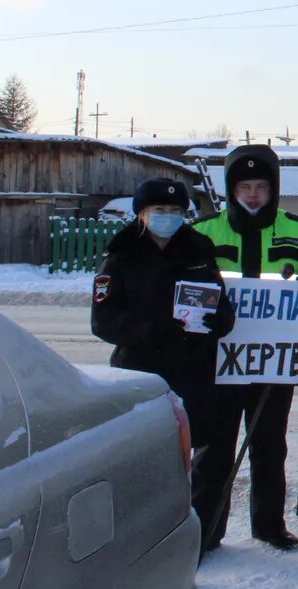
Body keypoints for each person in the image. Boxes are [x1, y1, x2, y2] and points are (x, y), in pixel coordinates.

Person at [191, 144, 298, 554]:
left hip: (275, 363)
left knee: (270, 447)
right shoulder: (203, 234)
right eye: (245, 186)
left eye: (261, 186)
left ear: (273, 189)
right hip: (220, 363)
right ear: (231, 189)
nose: (254, 194)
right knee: (214, 450)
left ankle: (269, 525)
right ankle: (204, 530)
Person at [91, 178, 236, 551]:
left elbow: (220, 305)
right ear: (141, 214)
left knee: (206, 452)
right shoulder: (120, 253)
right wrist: (149, 331)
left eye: (175, 212)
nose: (168, 218)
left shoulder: (199, 248)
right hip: (141, 371)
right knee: (142, 458)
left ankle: (203, 535)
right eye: (159, 212)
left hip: (194, 367)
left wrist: (219, 321)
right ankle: (136, 539)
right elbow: (102, 320)